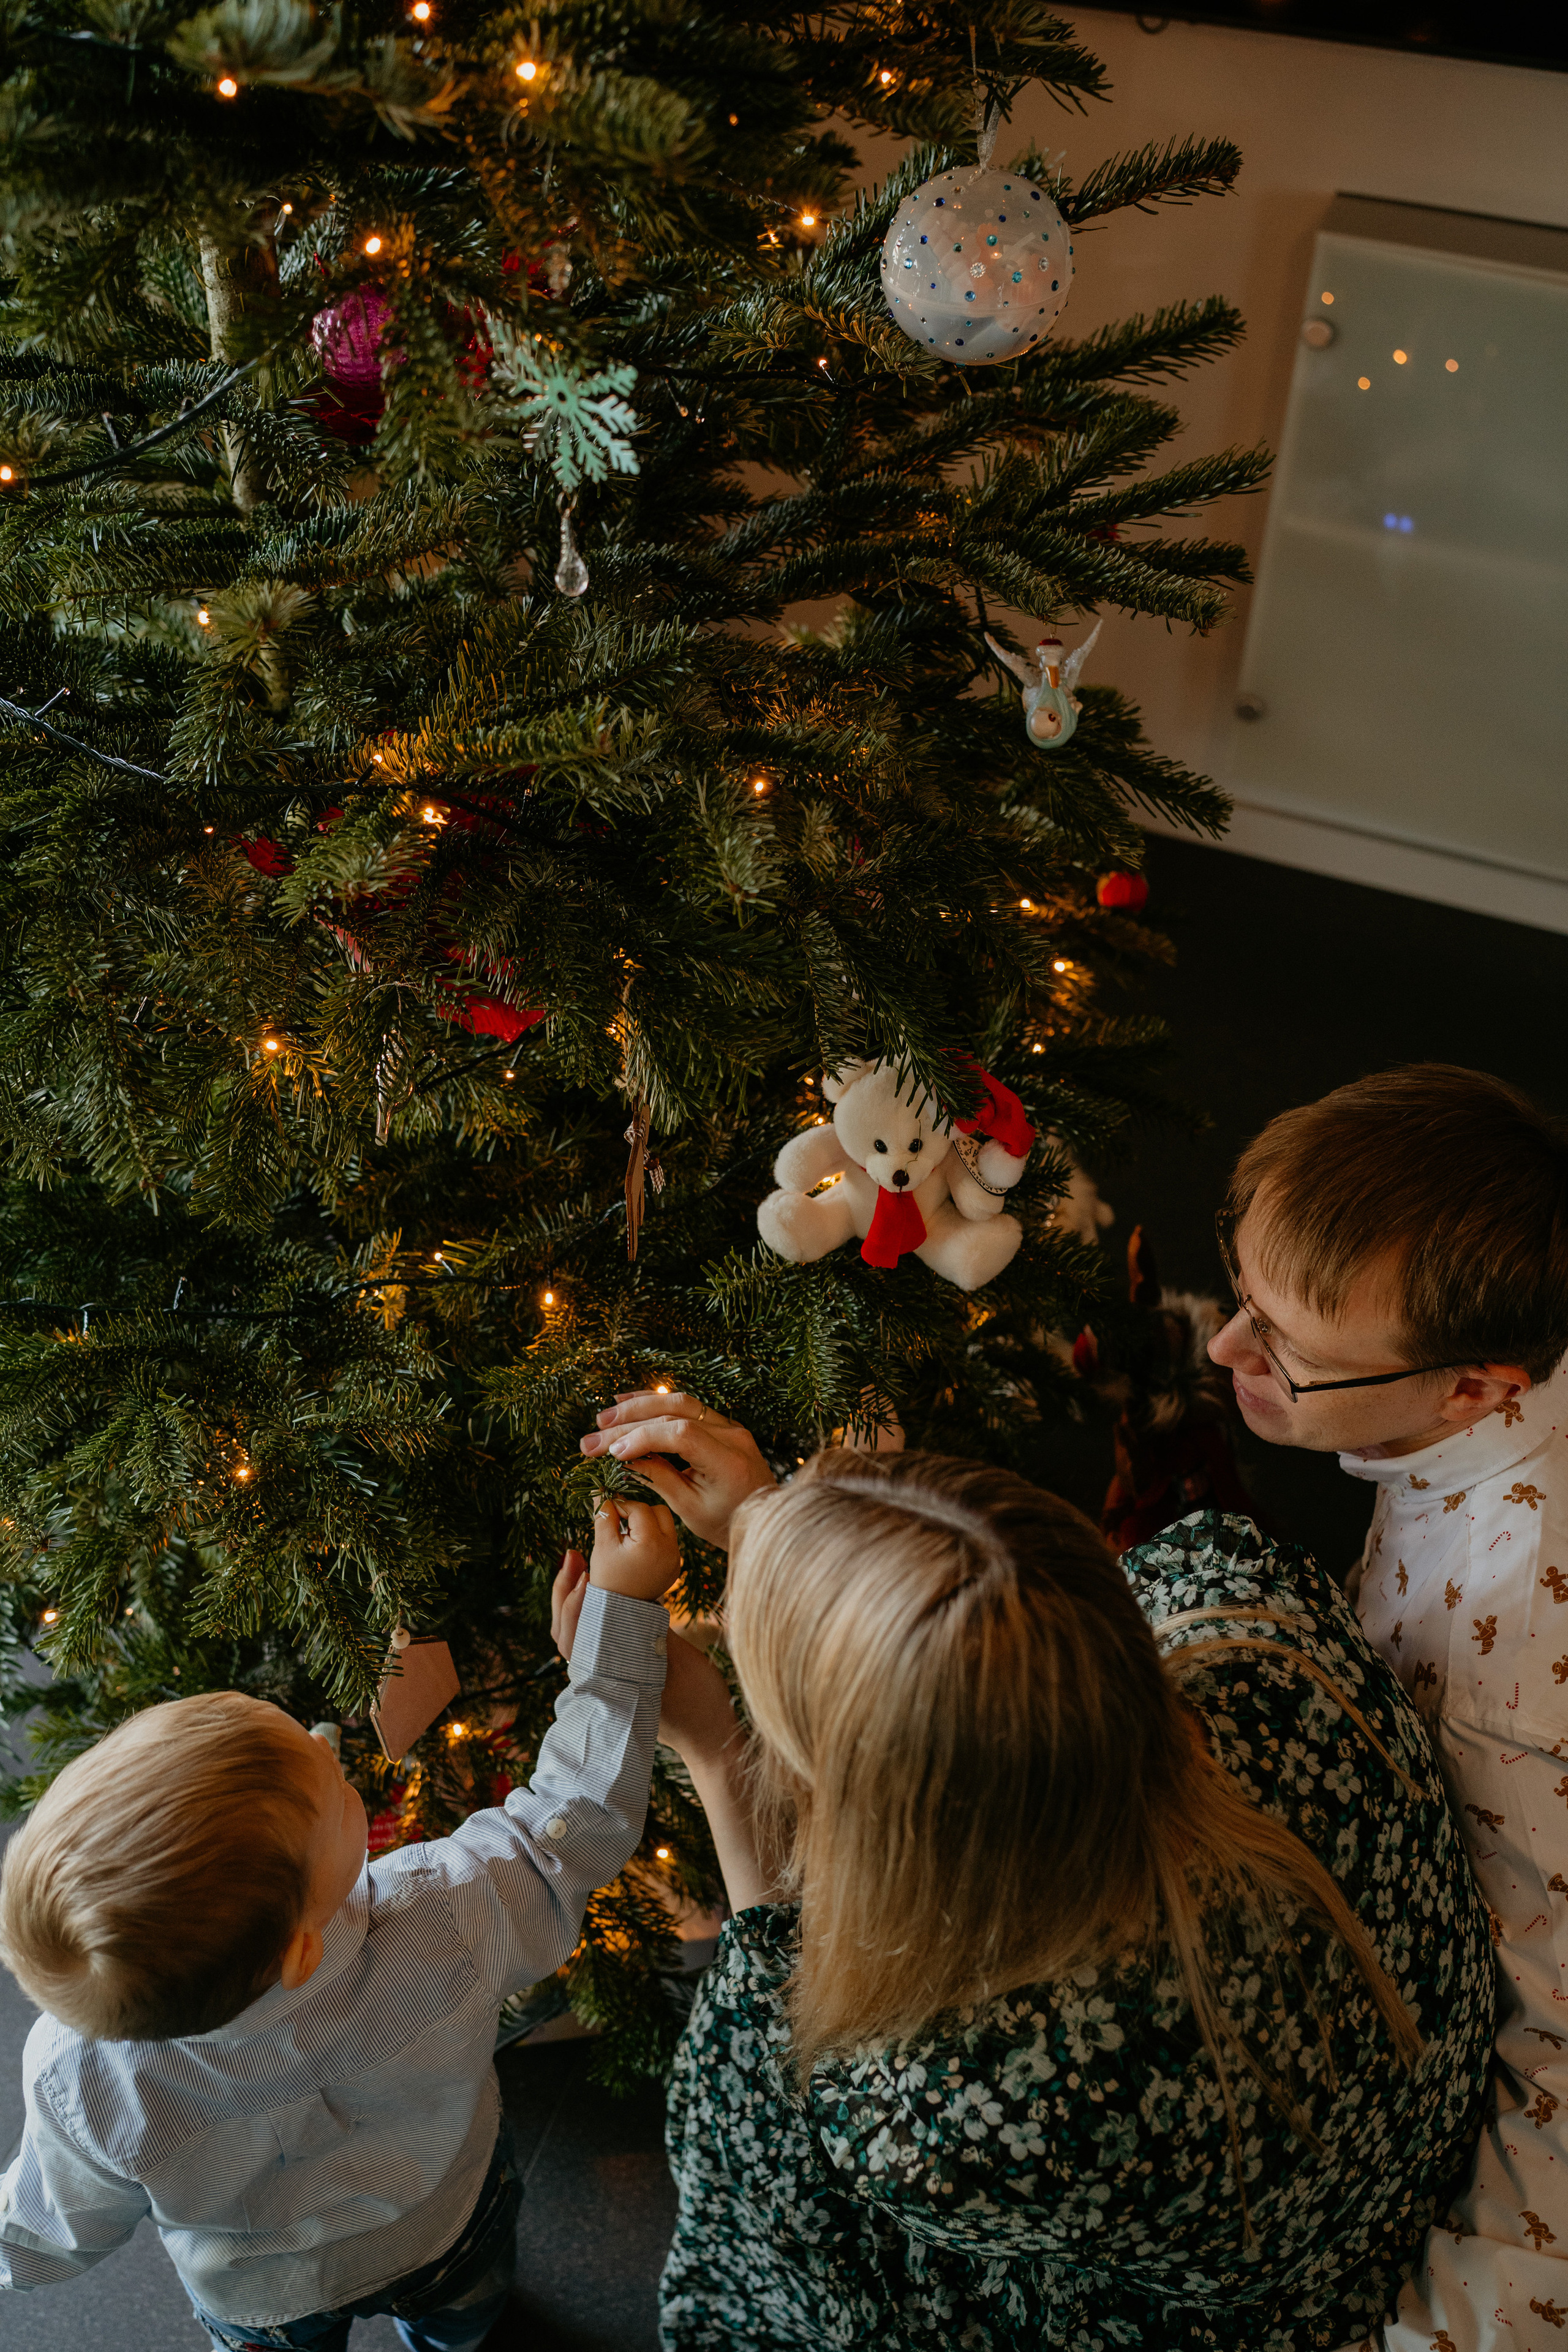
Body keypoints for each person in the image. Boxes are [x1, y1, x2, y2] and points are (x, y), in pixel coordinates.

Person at [578, 1390, 1496, 2351]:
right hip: (1398, 2155)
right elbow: (983, 1631)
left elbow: (781, 2134)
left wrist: (719, 1755)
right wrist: (776, 1523)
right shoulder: (1253, 1617)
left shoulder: (953, 2121)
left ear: (884, 1811)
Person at [0, 1496, 682, 2351]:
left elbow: (46, 2237)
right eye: (325, 1782)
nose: (327, 1745)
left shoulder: (79, 2076)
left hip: (262, 2299)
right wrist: (620, 1623)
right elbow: (574, 1819)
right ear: (302, 1949)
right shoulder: (446, 1911)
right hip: (446, 2229)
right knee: (465, 2322)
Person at [1205, 1064, 1568, 2352]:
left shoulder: (1503, 1692)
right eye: (1236, 1290)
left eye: (1282, 1349)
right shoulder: (1463, 1403)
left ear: (1474, 1386)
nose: (1219, 1349)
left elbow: (1557, 2061)